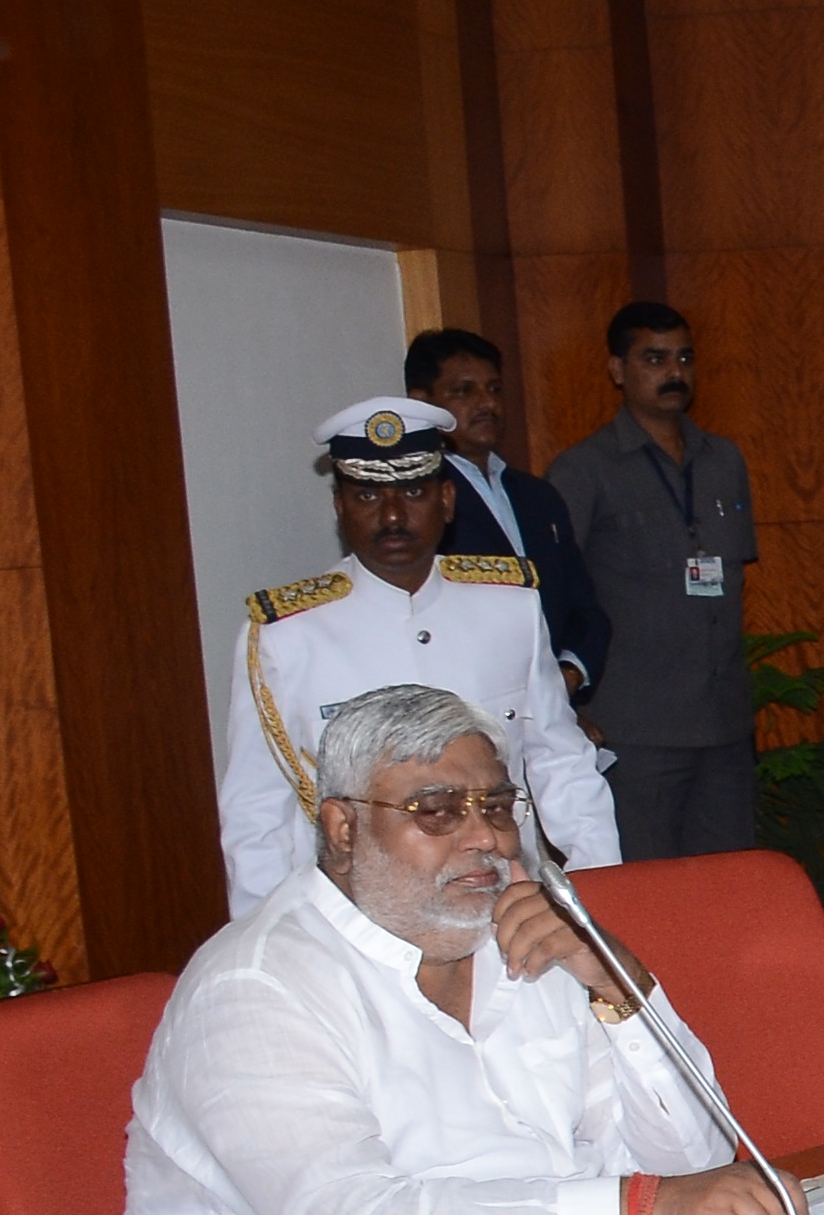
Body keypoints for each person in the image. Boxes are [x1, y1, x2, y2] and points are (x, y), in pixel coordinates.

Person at [128, 685, 784, 1215]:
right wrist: (636, 1208)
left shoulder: (528, 937)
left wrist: (619, 987)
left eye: (496, 807)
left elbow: (694, 1160)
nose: (485, 837)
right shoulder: (257, 983)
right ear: (343, 830)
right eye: (437, 812)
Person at [217, 398, 622, 918]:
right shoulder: (289, 635)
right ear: (339, 506)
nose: (392, 516)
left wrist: (599, 896)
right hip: (356, 918)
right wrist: (270, 935)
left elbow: (559, 761)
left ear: (447, 500)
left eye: (413, 492)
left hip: (499, 902)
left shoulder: (509, 607)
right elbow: (257, 814)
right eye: (367, 495)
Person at [549, 299, 764, 859]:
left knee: (728, 885)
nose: (674, 372)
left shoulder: (723, 460)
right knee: (649, 887)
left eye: (684, 358)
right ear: (617, 370)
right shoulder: (583, 469)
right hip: (634, 728)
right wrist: (567, 707)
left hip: (723, 725)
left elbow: (732, 577)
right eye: (654, 359)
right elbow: (554, 595)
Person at [408, 325, 612, 699]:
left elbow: (584, 608)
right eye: (464, 391)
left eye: (495, 389)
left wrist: (567, 676)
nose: (487, 403)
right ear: (422, 403)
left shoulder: (538, 496)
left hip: (555, 705)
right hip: (470, 704)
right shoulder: (418, 501)